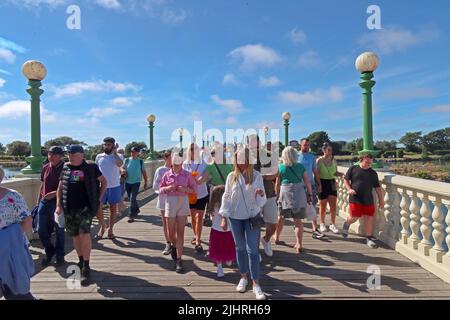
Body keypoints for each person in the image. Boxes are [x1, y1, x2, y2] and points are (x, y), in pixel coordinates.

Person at [219, 147, 267, 300]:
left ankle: (256, 284)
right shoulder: (231, 177)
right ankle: (243, 277)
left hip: (252, 217)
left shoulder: (257, 176)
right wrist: (223, 217)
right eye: (238, 160)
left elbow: (261, 201)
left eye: (244, 160)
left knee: (252, 250)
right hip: (235, 218)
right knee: (240, 248)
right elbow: (226, 197)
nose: (241, 163)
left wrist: (261, 194)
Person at [56, 145, 107, 286]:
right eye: (69, 154)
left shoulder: (91, 167)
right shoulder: (65, 167)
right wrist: (58, 205)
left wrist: (100, 198)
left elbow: (104, 181)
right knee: (75, 236)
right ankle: (80, 260)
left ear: (81, 154)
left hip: (85, 208)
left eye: (73, 153)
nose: (70, 156)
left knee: (84, 234)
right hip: (69, 208)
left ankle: (86, 266)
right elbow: (60, 187)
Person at [0, 168, 35, 300]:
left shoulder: (12, 196)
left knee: (16, 291)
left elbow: (27, 221)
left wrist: (5, 238)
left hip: (12, 250)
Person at [160, 152, 197, 273]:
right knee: (171, 233)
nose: (176, 164)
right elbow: (160, 189)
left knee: (180, 232)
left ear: (181, 162)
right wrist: (167, 188)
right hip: (170, 202)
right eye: (174, 161)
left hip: (182, 202)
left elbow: (194, 189)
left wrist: (185, 189)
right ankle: (174, 246)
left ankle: (179, 259)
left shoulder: (187, 175)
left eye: (178, 161)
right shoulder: (166, 175)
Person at [342, 153, 384, 248]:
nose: (369, 164)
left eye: (370, 162)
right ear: (361, 160)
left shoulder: (373, 173)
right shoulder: (353, 169)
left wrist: (381, 200)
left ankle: (368, 239)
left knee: (369, 217)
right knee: (355, 217)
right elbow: (345, 180)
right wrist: (349, 189)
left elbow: (377, 187)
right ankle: (347, 223)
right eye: (367, 162)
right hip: (355, 197)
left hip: (368, 198)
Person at [275, 146, 313, 253]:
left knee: (281, 217)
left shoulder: (281, 167)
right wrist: (310, 194)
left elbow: (277, 183)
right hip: (299, 193)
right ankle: (299, 243)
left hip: (285, 194)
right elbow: (307, 182)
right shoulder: (300, 166)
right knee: (298, 221)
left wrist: (277, 195)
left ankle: (277, 237)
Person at [248, 134, 279, 258]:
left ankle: (266, 240)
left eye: (255, 141)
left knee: (273, 222)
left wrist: (265, 177)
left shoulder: (269, 155)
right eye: (251, 142)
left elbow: (276, 172)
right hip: (252, 196)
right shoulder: (246, 157)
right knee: (255, 224)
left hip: (269, 193)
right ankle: (255, 250)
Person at [37, 146, 66, 267]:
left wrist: (53, 194)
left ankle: (60, 255)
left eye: (54, 154)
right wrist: (38, 200)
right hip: (44, 202)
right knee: (41, 230)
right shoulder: (45, 167)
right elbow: (42, 184)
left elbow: (68, 186)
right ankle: (49, 250)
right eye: (49, 154)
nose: (51, 157)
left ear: (60, 156)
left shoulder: (66, 168)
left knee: (59, 230)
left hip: (58, 203)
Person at [183, 143, 210, 253]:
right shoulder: (185, 164)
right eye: (192, 149)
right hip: (190, 195)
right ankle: (196, 235)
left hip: (202, 194)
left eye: (196, 149)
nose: (194, 151)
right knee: (193, 218)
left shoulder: (203, 162)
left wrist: (199, 181)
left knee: (199, 217)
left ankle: (198, 240)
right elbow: (183, 177)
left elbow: (206, 174)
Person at [296, 138, 325, 239]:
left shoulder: (312, 157)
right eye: (305, 145)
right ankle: (297, 225)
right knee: (298, 207)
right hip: (298, 186)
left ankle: (314, 228)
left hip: (311, 185)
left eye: (308, 145)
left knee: (312, 206)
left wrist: (319, 183)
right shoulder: (295, 156)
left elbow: (315, 171)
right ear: (301, 145)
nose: (307, 147)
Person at [95, 137, 123, 239]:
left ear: (113, 145)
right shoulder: (99, 156)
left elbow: (120, 164)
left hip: (114, 186)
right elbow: (96, 171)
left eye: (109, 145)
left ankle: (111, 229)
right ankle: (103, 226)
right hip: (101, 186)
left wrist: (115, 153)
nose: (106, 146)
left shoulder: (118, 156)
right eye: (105, 144)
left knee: (112, 208)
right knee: (98, 207)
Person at [207, 185, 235, 278]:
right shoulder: (228, 205)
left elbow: (212, 217)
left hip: (216, 230)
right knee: (229, 246)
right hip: (228, 230)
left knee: (217, 249)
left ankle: (219, 268)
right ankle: (228, 259)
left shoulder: (213, 206)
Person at [317, 143, 343, 234]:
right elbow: (317, 174)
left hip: (331, 183)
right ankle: (322, 223)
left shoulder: (334, 161)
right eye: (329, 150)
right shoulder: (319, 160)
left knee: (333, 205)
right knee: (323, 205)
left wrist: (343, 175)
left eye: (331, 150)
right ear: (324, 151)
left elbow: (335, 172)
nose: (331, 152)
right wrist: (319, 185)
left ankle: (332, 224)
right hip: (322, 183)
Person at [152, 150, 172, 255]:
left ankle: (175, 242)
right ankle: (168, 243)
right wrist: (166, 189)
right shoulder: (161, 170)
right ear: (166, 158)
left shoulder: (179, 170)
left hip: (176, 201)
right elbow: (155, 187)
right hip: (164, 200)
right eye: (171, 157)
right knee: (165, 223)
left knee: (175, 223)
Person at [121, 147, 148, 223]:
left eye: (134, 152)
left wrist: (146, 182)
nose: (132, 153)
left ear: (137, 153)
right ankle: (136, 209)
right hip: (127, 182)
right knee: (131, 198)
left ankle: (131, 215)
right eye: (131, 151)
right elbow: (122, 167)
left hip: (136, 182)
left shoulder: (140, 161)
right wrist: (122, 170)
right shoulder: (126, 160)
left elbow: (144, 172)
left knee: (132, 198)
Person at [117, 148, 127, 212]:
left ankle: (120, 209)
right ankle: (120, 208)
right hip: (121, 179)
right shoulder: (124, 160)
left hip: (117, 179)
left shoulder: (115, 158)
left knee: (118, 195)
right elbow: (124, 170)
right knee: (120, 194)